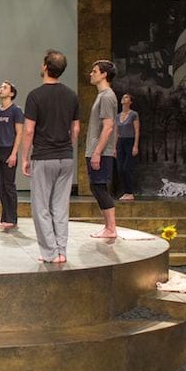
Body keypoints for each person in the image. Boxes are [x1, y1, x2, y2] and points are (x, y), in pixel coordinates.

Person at [21, 50, 79, 264]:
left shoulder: (35, 96)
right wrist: (67, 147)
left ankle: (50, 253)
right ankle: (61, 251)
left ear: (46, 66)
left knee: (41, 207)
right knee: (60, 207)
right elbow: (76, 128)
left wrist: (25, 157)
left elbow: (28, 130)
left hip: (44, 157)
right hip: (66, 157)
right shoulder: (71, 95)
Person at [86, 60, 119, 239]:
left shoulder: (107, 96)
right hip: (97, 149)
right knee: (96, 186)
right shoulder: (102, 96)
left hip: (99, 151)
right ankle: (108, 227)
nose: (91, 74)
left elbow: (108, 127)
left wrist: (98, 152)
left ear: (104, 74)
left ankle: (111, 227)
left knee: (99, 187)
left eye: (94, 71)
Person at [0, 80, 24, 230]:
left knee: (9, 185)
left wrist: (14, 153)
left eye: (5, 87)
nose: (1, 89)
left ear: (12, 93)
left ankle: (12, 218)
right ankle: (5, 216)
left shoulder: (16, 111)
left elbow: (19, 133)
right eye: (1, 87)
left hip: (9, 150)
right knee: (0, 186)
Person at [117, 93, 140, 201]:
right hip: (120, 141)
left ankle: (130, 192)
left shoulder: (134, 114)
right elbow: (116, 132)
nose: (124, 98)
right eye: (123, 97)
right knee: (120, 168)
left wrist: (135, 145)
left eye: (126, 97)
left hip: (130, 141)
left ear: (130, 102)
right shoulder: (117, 116)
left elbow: (136, 130)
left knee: (126, 168)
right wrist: (114, 147)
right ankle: (126, 192)